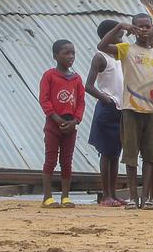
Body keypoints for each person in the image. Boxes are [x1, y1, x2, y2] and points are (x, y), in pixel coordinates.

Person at [98, 15, 153, 209]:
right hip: (130, 109)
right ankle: (133, 198)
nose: (144, 30)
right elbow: (102, 46)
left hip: (151, 111)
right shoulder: (126, 49)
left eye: (147, 26)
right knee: (130, 155)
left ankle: (145, 198)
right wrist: (120, 25)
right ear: (133, 29)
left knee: (150, 156)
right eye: (140, 27)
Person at [38, 40, 85, 208]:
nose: (70, 56)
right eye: (66, 53)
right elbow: (44, 100)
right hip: (53, 124)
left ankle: (65, 196)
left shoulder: (77, 79)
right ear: (55, 56)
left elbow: (80, 102)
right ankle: (47, 197)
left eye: (72, 53)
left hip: (70, 125)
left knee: (67, 160)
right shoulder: (49, 76)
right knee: (50, 158)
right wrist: (57, 119)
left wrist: (75, 121)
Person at [84, 19, 125, 207]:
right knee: (106, 154)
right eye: (118, 34)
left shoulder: (121, 56)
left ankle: (114, 194)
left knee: (116, 153)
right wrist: (105, 98)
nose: (121, 37)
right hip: (107, 108)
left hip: (121, 109)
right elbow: (89, 86)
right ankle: (106, 195)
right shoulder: (100, 57)